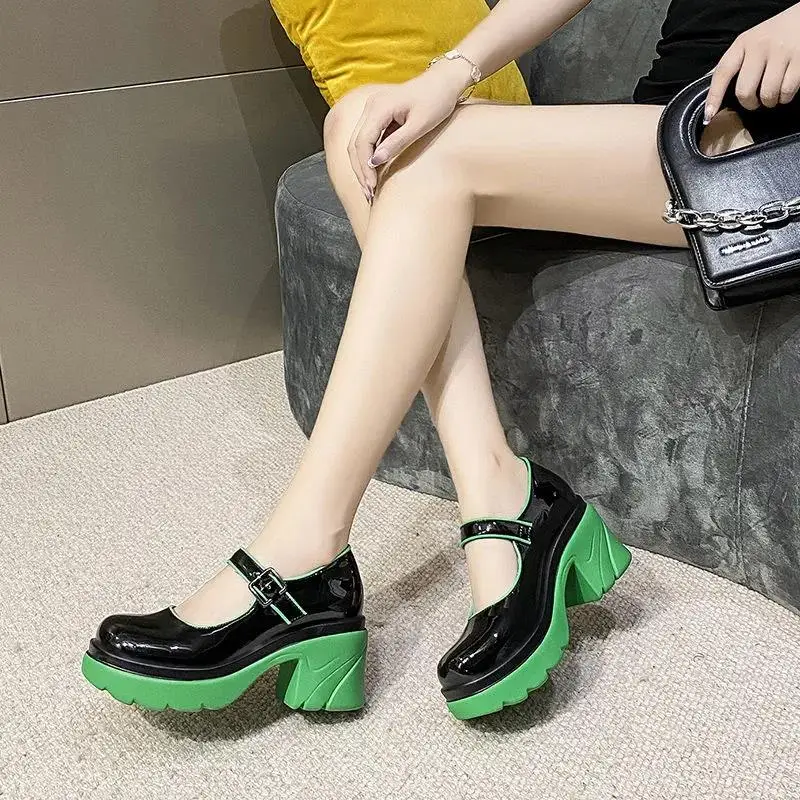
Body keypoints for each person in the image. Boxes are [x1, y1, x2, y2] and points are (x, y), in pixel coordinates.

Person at [81, 0, 800, 720]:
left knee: (428, 157)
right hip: (679, 122)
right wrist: (450, 73)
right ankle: (494, 487)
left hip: (768, 151)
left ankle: (305, 552)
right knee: (360, 123)